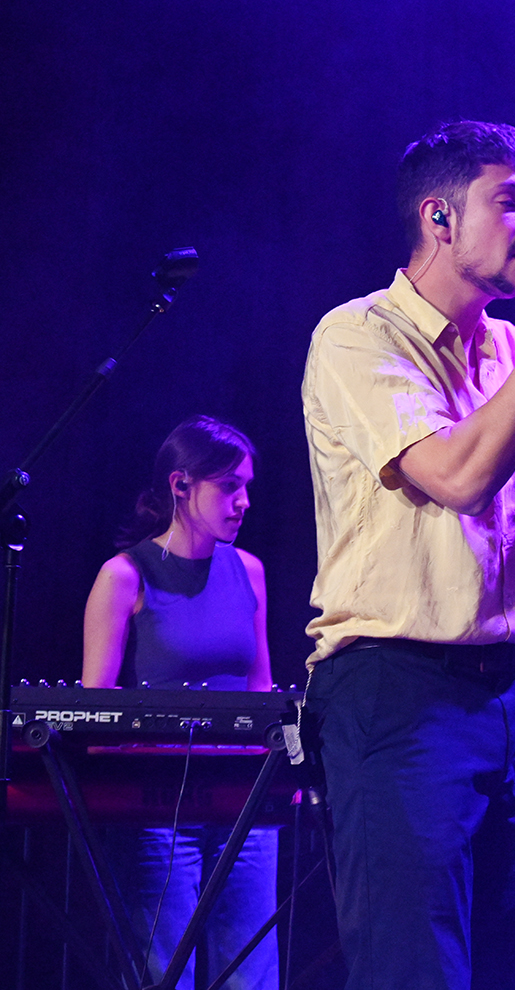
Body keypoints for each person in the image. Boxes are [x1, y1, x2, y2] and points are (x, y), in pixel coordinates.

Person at [299, 120, 515, 990]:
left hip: (509, 693)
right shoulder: (357, 336)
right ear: (438, 218)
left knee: (499, 964)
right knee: (415, 970)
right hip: (398, 691)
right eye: (509, 201)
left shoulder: (509, 348)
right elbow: (460, 478)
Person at [81, 415, 277, 990]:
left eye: (247, 487)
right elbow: (95, 711)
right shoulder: (124, 576)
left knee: (251, 973)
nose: (243, 502)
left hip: (243, 802)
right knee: (162, 973)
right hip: (159, 809)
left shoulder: (249, 571)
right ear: (181, 485)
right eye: (230, 486)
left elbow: (261, 692)